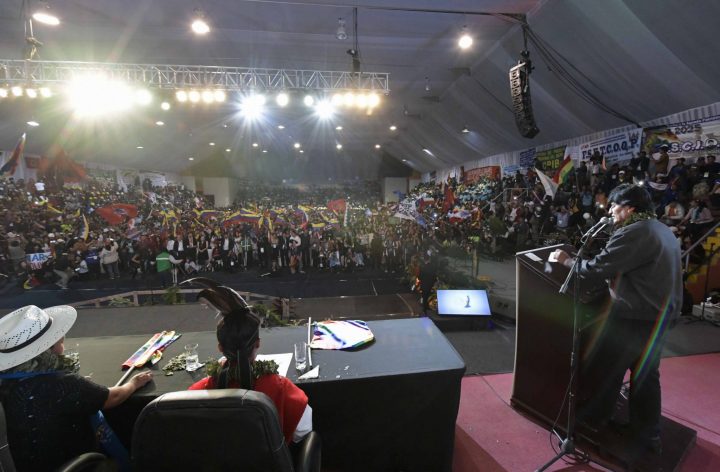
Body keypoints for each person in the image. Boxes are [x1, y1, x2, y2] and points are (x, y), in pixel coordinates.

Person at [550, 184, 681, 456]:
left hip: (636, 316)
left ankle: (593, 423)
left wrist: (566, 261)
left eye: (614, 205)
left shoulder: (636, 232)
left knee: (607, 368)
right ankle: (648, 435)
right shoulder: (660, 228)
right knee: (645, 376)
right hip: (659, 316)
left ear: (629, 208)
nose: (609, 210)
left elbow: (596, 269)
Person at [0, 305, 152, 471]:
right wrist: (134, 383)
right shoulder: (61, 384)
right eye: (60, 341)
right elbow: (112, 397)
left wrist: (78, 387)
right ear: (48, 350)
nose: (63, 344)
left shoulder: (7, 383)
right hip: (73, 465)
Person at [185, 278, 312, 444]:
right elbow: (303, 431)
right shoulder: (280, 387)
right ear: (257, 343)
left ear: (220, 348)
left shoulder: (198, 393)